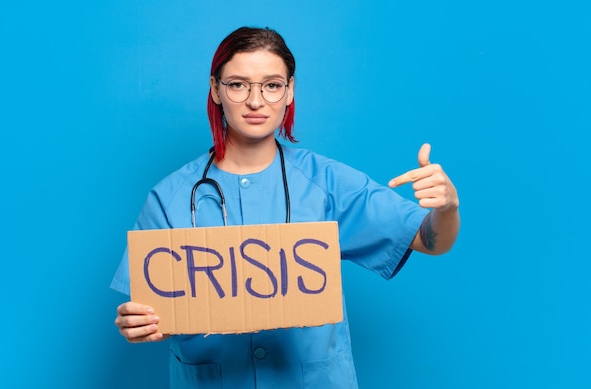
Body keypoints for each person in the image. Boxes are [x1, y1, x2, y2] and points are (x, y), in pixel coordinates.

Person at [111, 26, 460, 388]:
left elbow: (429, 240)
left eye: (272, 85)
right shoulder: (169, 198)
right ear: (216, 90)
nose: (256, 101)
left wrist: (447, 208)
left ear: (289, 90)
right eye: (238, 84)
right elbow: (156, 311)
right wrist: (141, 324)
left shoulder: (326, 182)